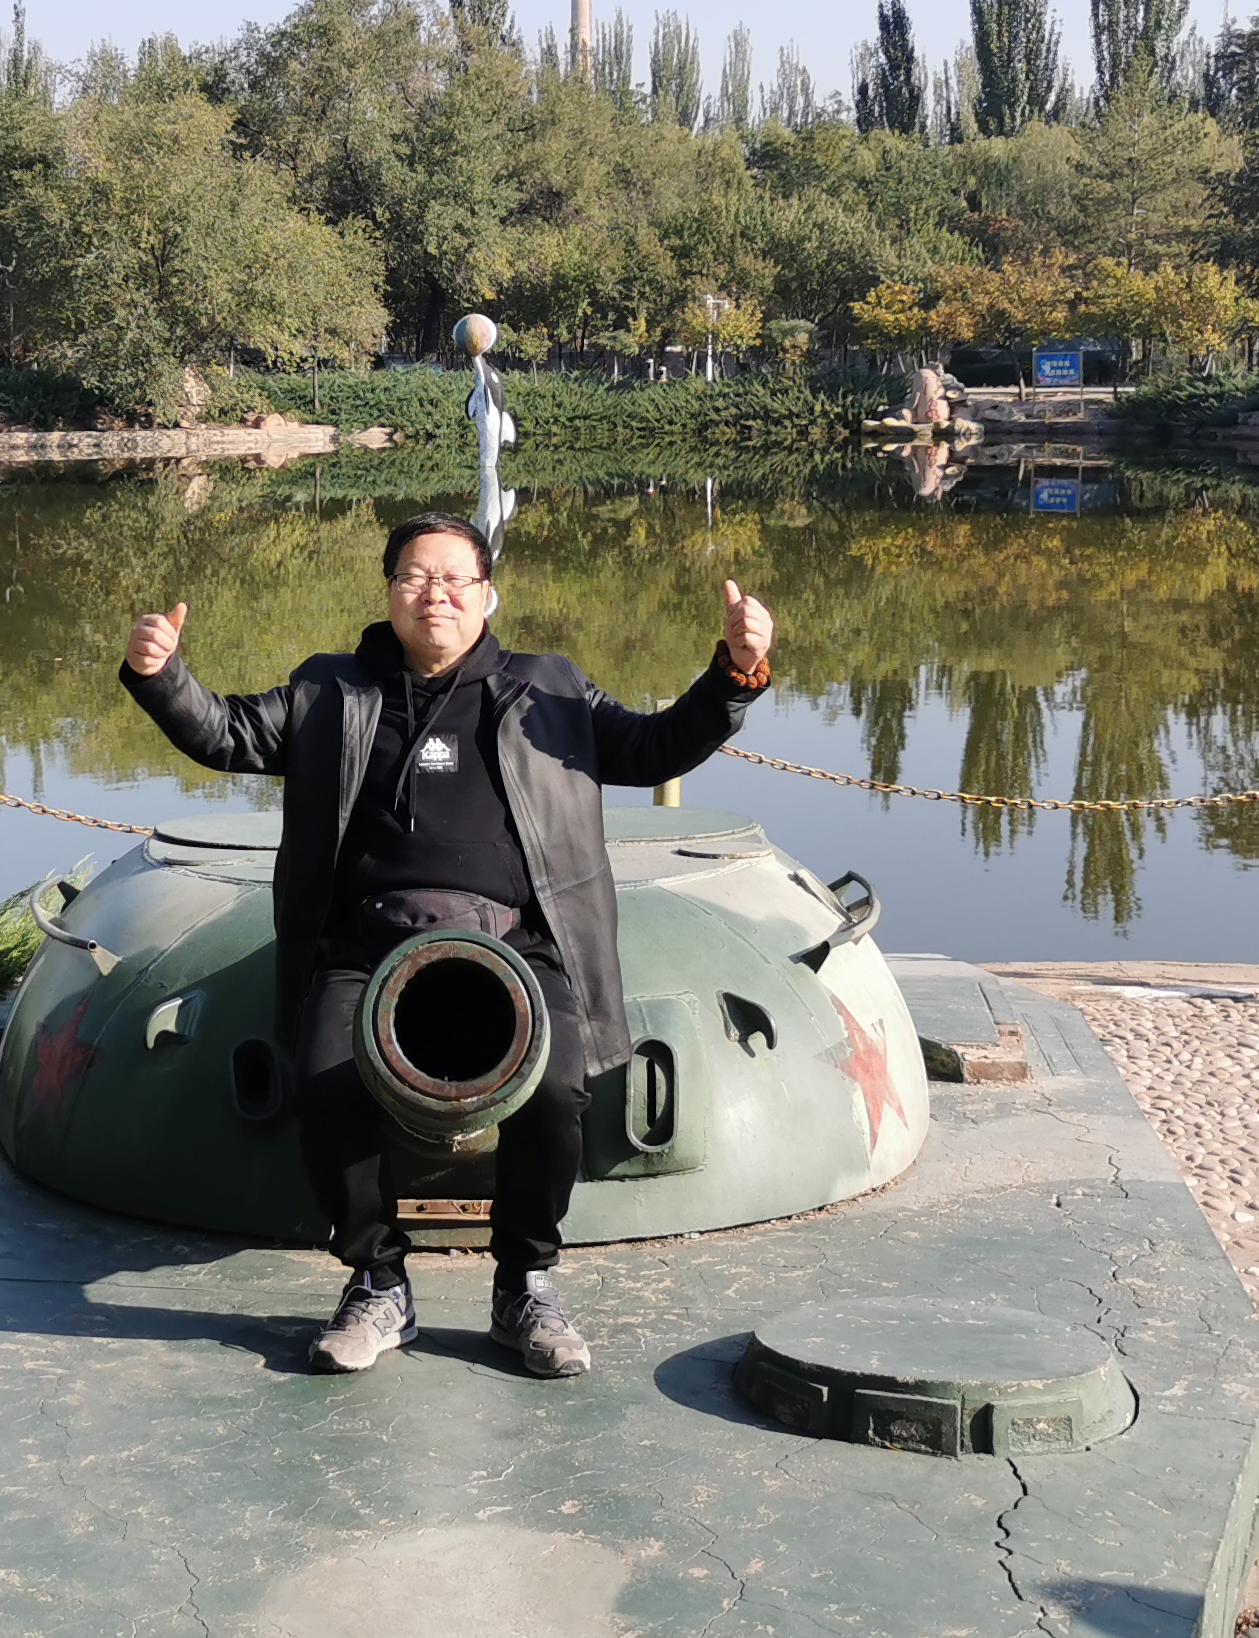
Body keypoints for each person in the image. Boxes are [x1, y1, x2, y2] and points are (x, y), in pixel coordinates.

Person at [119, 512, 774, 1379]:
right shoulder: (331, 690)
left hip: (520, 940)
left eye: (456, 578)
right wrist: (161, 676)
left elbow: (654, 749)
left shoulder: (552, 689)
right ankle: (377, 1282)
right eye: (415, 577)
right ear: (389, 593)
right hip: (366, 943)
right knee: (325, 1075)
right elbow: (228, 733)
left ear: (487, 594)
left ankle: (525, 1283)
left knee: (554, 1087)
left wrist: (734, 671)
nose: (436, 593)